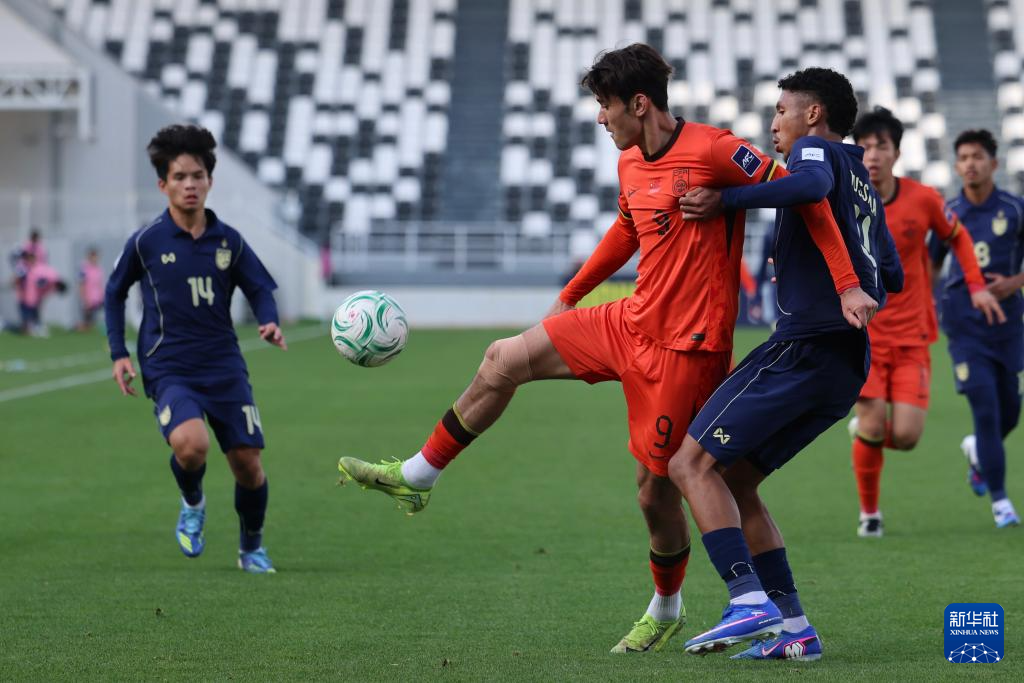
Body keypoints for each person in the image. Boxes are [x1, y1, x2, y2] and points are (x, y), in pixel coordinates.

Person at [335, 45, 871, 653]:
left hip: (684, 351)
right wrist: (571, 294)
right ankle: (417, 475)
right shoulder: (631, 162)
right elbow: (626, 229)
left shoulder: (717, 150)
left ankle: (667, 607)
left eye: (604, 105)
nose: (599, 118)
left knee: (655, 494)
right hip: (628, 322)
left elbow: (810, 198)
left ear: (638, 104)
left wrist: (846, 284)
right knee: (502, 359)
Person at [673, 67, 902, 661]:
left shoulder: (814, 153)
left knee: (689, 463)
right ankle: (795, 628)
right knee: (735, 480)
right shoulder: (864, 179)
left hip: (806, 346)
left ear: (813, 115)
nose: (774, 123)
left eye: (781, 111)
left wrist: (726, 200)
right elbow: (893, 272)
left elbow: (808, 187)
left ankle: (746, 600)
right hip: (846, 364)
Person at [105, 124, 287, 573]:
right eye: (180, 176)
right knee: (191, 445)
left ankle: (251, 548)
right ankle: (192, 503)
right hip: (169, 366)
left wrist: (269, 320)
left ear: (210, 180)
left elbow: (260, 287)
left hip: (224, 366)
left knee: (248, 465)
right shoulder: (146, 241)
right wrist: (118, 352)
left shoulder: (229, 240)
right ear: (162, 184)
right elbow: (114, 292)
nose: (190, 184)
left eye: (198, 176)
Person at [845, 109, 1004, 538]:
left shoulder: (924, 199)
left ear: (896, 153)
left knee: (906, 435)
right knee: (874, 423)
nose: (872, 155)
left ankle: (866, 436)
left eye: (881, 146)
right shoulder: (844, 201)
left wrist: (976, 286)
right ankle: (870, 514)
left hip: (913, 336)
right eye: (865, 147)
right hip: (862, 335)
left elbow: (958, 236)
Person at [931, 129, 1024, 528]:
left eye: (977, 157)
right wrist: (927, 305)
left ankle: (977, 451)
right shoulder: (948, 213)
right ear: (956, 166)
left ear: (994, 164)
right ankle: (1001, 502)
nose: (970, 164)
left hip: (1007, 324)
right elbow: (931, 263)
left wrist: (1014, 283)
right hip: (964, 324)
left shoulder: (1015, 209)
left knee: (1010, 409)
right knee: (985, 408)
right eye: (964, 157)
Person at [17, 251, 66, 336]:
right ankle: (29, 329)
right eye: (29, 259)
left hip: (35, 298)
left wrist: (43, 285)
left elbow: (45, 282)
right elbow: (19, 281)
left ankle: (36, 329)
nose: (30, 261)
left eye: (32, 259)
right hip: (25, 297)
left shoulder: (40, 269)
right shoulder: (23, 268)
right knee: (26, 317)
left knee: (34, 315)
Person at [78, 247, 105, 331]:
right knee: (87, 322)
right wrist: (84, 299)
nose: (95, 258)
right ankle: (76, 329)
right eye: (93, 256)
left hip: (97, 298)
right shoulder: (84, 269)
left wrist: (102, 297)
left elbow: (100, 284)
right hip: (88, 298)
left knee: (93, 321)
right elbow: (81, 284)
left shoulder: (99, 269)